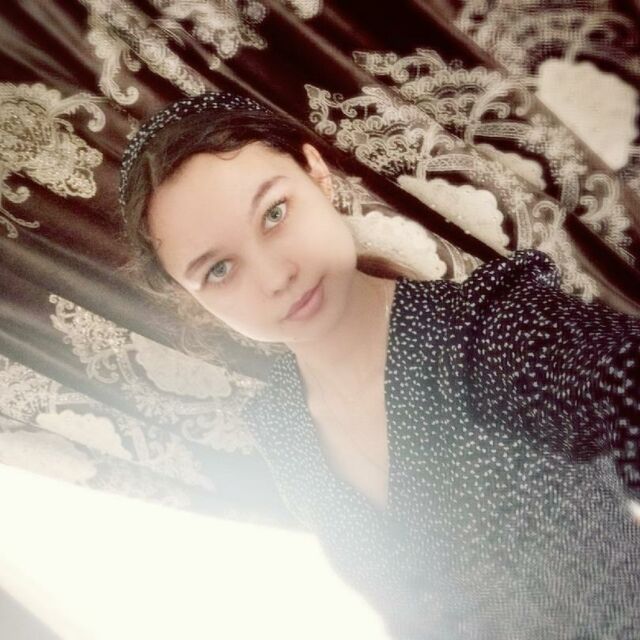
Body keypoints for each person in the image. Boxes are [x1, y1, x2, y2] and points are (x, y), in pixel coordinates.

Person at [118, 91, 640, 639]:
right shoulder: (280, 425)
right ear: (192, 297)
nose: (275, 277)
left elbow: (616, 378)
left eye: (274, 213)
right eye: (219, 270)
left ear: (317, 175)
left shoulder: (485, 329)